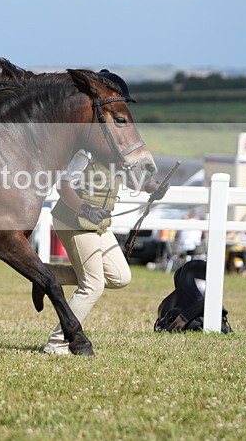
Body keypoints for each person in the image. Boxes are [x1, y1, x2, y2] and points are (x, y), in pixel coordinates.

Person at [41, 70, 167, 355]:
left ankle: (48, 275)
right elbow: (63, 185)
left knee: (120, 278)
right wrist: (85, 207)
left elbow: (131, 178)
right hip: (73, 220)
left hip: (99, 223)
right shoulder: (84, 151)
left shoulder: (115, 150)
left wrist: (151, 187)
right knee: (93, 285)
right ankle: (57, 343)